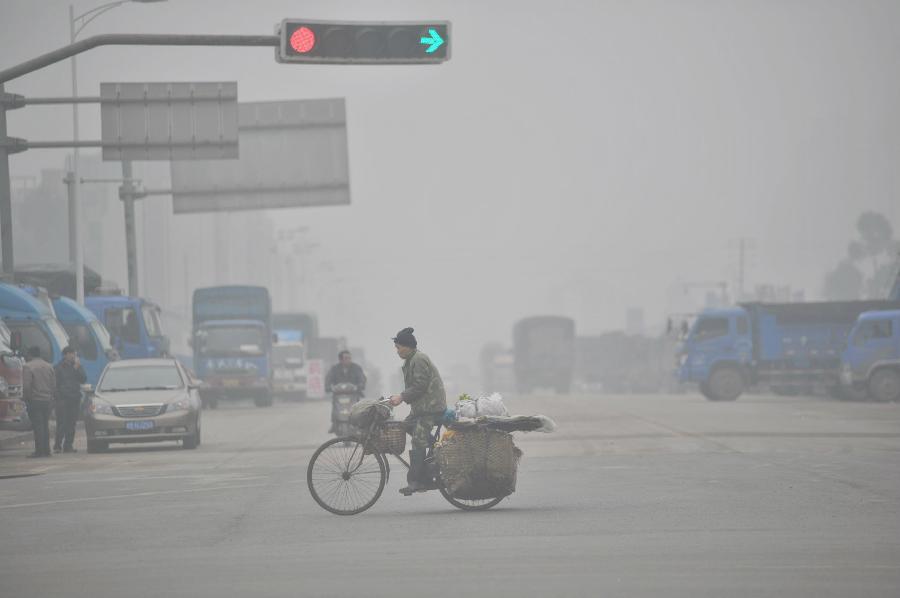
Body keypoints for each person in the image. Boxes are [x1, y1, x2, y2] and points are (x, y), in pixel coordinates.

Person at [388, 327, 447, 495]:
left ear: (408, 347)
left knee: (418, 441)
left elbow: (420, 386)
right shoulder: (411, 360)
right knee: (406, 425)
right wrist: (400, 396)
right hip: (421, 408)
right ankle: (436, 450)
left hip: (430, 408)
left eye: (399, 347)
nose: (397, 351)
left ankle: (415, 481)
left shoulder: (419, 359)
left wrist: (401, 397)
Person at [22, 346, 56, 458]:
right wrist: (51, 397)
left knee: (38, 426)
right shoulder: (49, 366)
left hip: (35, 400)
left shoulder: (28, 366)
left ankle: (39, 451)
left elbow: (27, 386)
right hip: (47, 400)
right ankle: (47, 450)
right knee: (45, 425)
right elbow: (53, 385)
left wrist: (26, 398)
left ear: (30, 354)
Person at [54, 345, 87, 453]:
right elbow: (57, 383)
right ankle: (57, 446)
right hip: (63, 399)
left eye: (75, 354)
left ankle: (68, 445)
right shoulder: (58, 367)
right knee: (62, 423)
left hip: (74, 398)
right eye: (71, 354)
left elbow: (83, 379)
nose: (74, 356)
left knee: (72, 423)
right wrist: (58, 398)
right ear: (65, 355)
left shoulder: (77, 366)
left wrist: (77, 369)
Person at [325, 350, 367, 433]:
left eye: (349, 358)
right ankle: (334, 423)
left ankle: (359, 424)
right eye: (346, 358)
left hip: (353, 394)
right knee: (335, 408)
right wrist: (328, 387)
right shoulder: (334, 368)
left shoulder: (356, 368)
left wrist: (360, 385)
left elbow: (362, 378)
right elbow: (328, 379)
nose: (348, 360)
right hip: (338, 395)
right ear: (340, 360)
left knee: (358, 410)